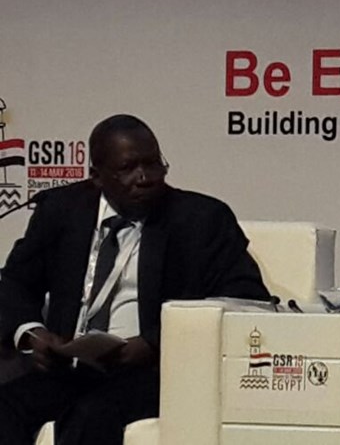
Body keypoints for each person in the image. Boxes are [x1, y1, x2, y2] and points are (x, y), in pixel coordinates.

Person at [0, 114, 270, 445]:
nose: (144, 178)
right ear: (97, 176)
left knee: (90, 416)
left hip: (152, 372)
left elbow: (246, 298)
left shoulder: (201, 219)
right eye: (127, 168)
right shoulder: (62, 209)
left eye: (153, 164)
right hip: (69, 367)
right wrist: (32, 333)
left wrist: (154, 342)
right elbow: (14, 282)